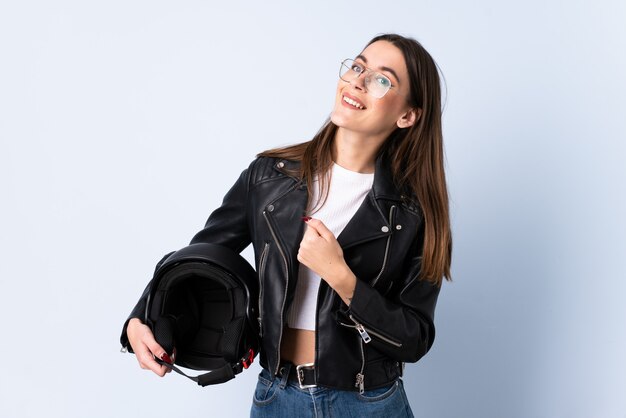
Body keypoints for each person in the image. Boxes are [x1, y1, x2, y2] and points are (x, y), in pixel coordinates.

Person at [120, 33, 452, 417]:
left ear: (407, 116)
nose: (358, 80)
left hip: (367, 403)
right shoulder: (268, 177)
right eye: (358, 66)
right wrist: (141, 317)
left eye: (382, 79)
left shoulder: (413, 213)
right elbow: (201, 256)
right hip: (277, 397)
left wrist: (341, 278)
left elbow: (414, 338)